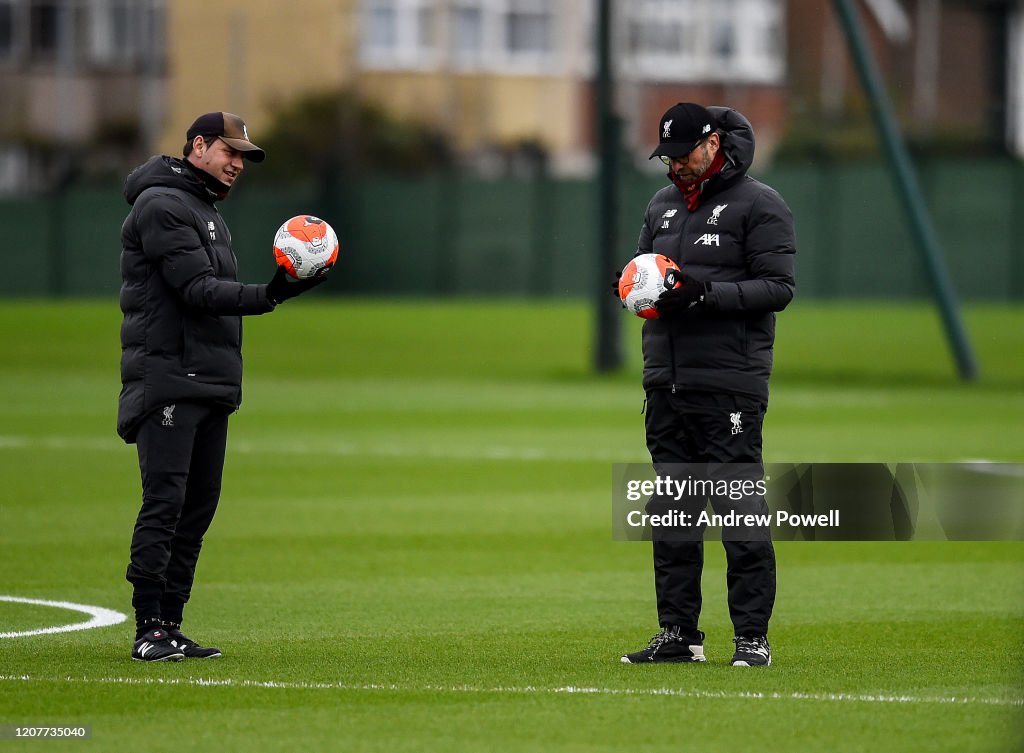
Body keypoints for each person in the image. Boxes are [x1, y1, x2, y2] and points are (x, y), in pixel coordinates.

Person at [118, 112, 326, 662]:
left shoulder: (203, 209)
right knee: (165, 502)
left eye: (244, 157)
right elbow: (198, 291)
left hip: (207, 381)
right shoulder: (162, 205)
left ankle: (169, 623)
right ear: (198, 146)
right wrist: (274, 293)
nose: (237, 163)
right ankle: (147, 628)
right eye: (229, 152)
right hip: (168, 380)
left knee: (197, 507)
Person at [619, 103, 796, 667]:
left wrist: (702, 293)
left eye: (684, 155)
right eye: (666, 158)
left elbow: (778, 288)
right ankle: (679, 635)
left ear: (714, 143)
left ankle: (751, 638)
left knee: (739, 513)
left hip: (730, 384)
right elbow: (647, 274)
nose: (675, 168)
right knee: (673, 514)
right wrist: (636, 291)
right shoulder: (661, 206)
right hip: (666, 382)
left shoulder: (761, 204)